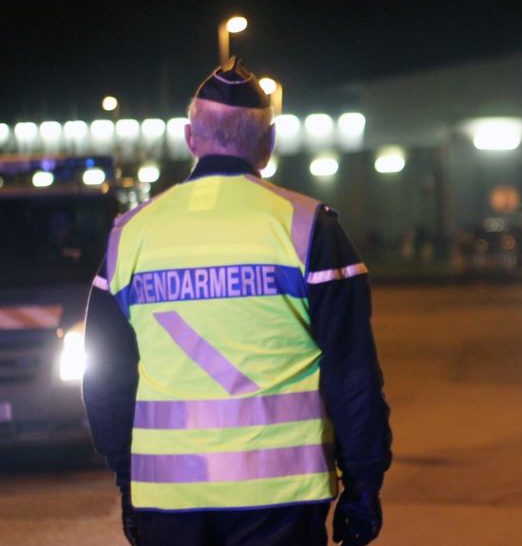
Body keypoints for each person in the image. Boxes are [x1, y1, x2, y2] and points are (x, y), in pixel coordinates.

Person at [83, 58, 393, 546]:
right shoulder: (311, 228)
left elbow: (104, 378)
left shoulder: (130, 236)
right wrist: (363, 486)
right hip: (283, 498)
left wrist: (127, 479)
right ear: (267, 145)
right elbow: (353, 373)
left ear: (190, 138)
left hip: (168, 497)